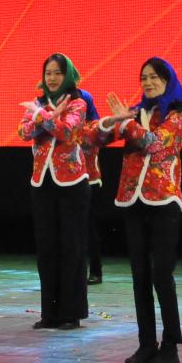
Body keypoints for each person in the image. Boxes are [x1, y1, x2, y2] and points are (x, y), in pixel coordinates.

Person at [99, 57, 182, 363]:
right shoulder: (135, 113)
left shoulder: (177, 115)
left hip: (164, 201)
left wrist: (126, 123)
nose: (148, 82)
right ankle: (146, 345)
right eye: (144, 78)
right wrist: (110, 122)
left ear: (167, 81)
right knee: (140, 275)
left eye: (154, 77)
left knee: (161, 275)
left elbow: (153, 143)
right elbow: (97, 138)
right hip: (133, 201)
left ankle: (170, 347)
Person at [18, 53, 90, 331]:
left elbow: (68, 132)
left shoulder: (78, 103)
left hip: (72, 183)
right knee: (46, 249)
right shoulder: (37, 103)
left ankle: (71, 313)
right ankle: (50, 312)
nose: (52, 78)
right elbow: (23, 131)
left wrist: (43, 118)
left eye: (58, 72)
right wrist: (44, 117)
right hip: (42, 182)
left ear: (67, 75)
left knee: (71, 247)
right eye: (48, 72)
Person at [79, 88, 105, 286]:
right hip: (69, 181)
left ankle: (96, 271)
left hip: (90, 181)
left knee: (89, 228)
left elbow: (88, 144)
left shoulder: (93, 126)